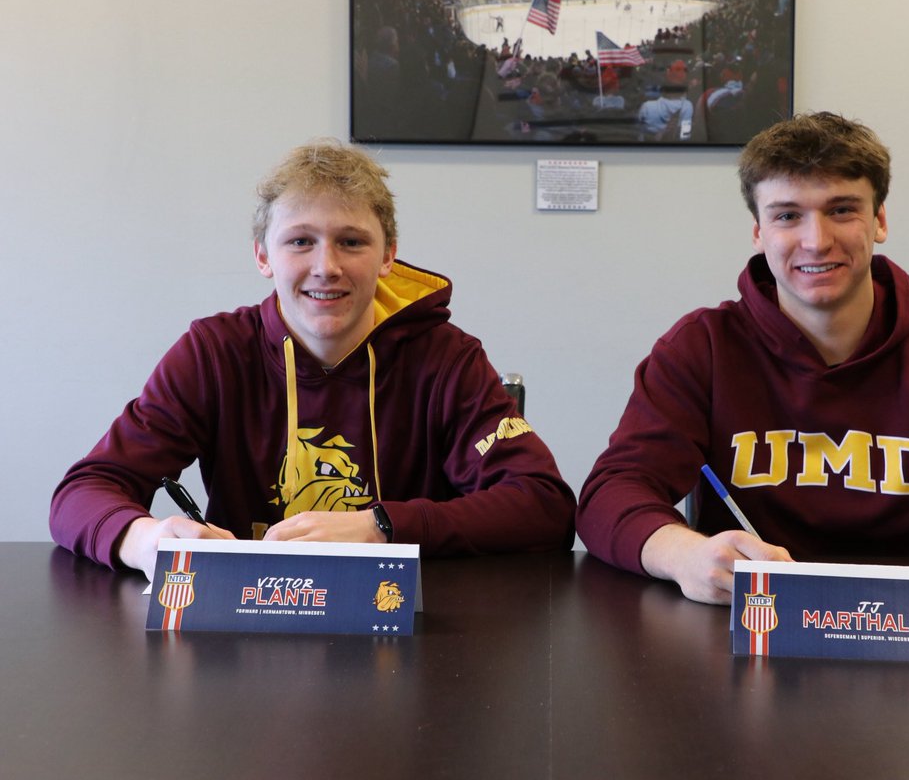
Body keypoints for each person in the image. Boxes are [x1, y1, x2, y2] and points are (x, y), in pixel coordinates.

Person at [576, 112, 909, 622]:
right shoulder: (702, 350)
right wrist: (684, 554)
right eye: (788, 216)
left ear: (879, 220)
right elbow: (611, 493)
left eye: (842, 209)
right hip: (752, 636)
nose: (816, 240)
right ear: (758, 232)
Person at [51, 140, 575, 579]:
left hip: (408, 637)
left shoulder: (446, 358)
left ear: (388, 254)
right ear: (262, 255)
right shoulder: (213, 353)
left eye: (351, 242)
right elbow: (85, 491)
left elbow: (544, 506)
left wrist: (382, 526)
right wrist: (148, 540)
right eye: (300, 241)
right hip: (249, 634)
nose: (326, 267)